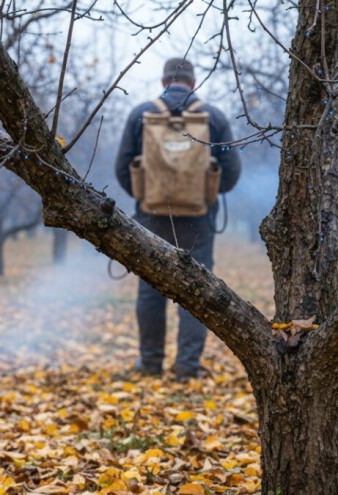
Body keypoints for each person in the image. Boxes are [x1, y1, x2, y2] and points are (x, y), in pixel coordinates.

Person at [115, 58, 241, 380]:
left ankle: (151, 364)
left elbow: (122, 167)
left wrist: (146, 198)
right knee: (197, 293)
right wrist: (206, 194)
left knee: (150, 291)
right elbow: (232, 173)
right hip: (199, 220)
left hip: (152, 217)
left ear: (163, 81)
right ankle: (187, 368)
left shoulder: (141, 114)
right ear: (193, 82)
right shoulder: (212, 117)